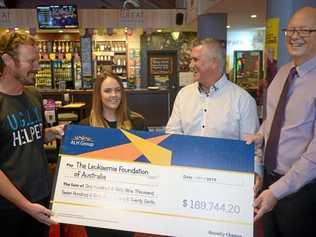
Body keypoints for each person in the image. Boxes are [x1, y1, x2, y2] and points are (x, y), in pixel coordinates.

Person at [244, 7, 316, 237]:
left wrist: (278, 190)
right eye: (291, 29)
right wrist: (261, 135)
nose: (294, 36)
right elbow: (273, 119)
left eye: (305, 30)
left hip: (302, 191)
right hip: (270, 181)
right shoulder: (283, 73)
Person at [0, 31, 64, 237]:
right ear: (8, 61)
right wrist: (27, 206)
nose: (37, 67)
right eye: (31, 61)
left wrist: (50, 133)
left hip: (41, 196)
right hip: (10, 208)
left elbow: (28, 138)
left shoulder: (34, 94)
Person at [81, 71, 147, 237]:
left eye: (118, 90)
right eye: (108, 91)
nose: (114, 95)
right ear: (98, 95)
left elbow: (147, 165)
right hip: (96, 208)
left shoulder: (137, 123)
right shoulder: (84, 127)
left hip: (127, 203)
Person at [166, 38, 259, 140]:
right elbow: (172, 136)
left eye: (195, 60)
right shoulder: (183, 95)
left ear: (214, 63)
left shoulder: (243, 100)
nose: (191, 65)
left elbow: (251, 149)